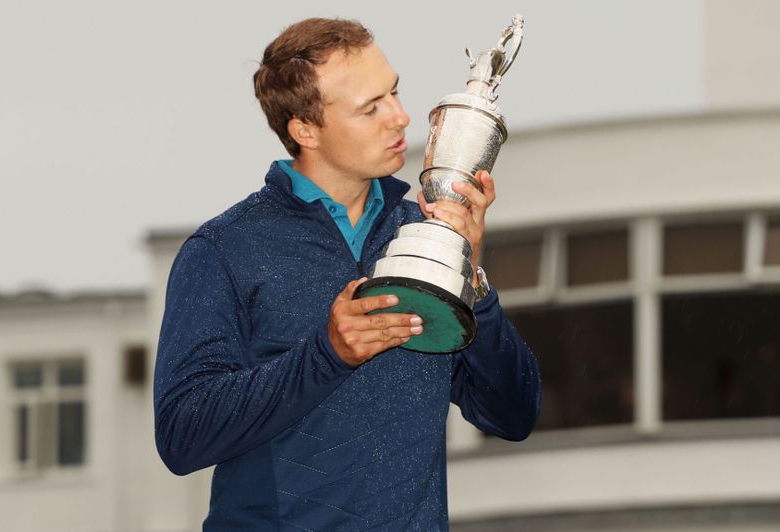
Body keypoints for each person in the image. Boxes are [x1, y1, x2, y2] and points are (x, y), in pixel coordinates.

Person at [154, 17, 541, 531]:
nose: (401, 117)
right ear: (305, 129)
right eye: (371, 107)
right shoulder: (225, 250)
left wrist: (471, 278)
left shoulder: (422, 232)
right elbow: (182, 437)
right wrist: (327, 354)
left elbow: (513, 416)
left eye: (394, 92)